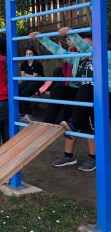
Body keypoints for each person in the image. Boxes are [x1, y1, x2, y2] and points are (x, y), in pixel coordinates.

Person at [30, 28, 111, 172]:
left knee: (87, 119)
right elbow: (57, 51)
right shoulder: (78, 58)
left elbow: (86, 48)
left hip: (101, 95)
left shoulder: (106, 55)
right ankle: (48, 124)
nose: (82, 50)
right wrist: (41, 38)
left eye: (85, 47)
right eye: (80, 48)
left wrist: (72, 34)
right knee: (60, 89)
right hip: (82, 95)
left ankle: (94, 157)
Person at [19, 47, 44, 121]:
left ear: (34, 55)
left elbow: (35, 77)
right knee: (17, 90)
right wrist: (29, 75)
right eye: (27, 54)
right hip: (27, 81)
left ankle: (28, 114)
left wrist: (27, 75)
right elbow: (22, 75)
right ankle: (19, 112)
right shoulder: (24, 63)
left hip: (37, 82)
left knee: (24, 93)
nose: (28, 55)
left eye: (30, 54)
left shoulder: (37, 63)